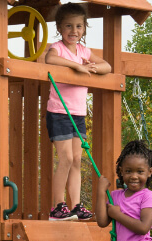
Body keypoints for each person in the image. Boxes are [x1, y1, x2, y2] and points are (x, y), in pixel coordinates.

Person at [43, 2, 111, 221]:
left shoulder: (84, 51)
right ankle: (57, 206)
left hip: (78, 114)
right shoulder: (58, 48)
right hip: (59, 111)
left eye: (79, 26)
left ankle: (76, 206)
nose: (74, 31)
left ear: (84, 28)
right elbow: (50, 59)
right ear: (60, 28)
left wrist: (91, 67)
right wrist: (76, 66)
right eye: (69, 26)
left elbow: (107, 67)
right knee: (65, 158)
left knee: (76, 160)